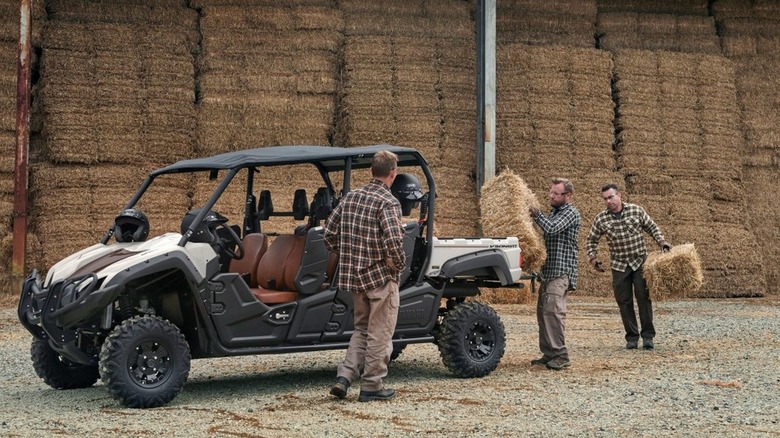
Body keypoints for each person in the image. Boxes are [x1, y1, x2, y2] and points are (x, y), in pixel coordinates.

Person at [324, 150, 405, 402]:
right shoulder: (388, 202)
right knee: (380, 332)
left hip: (354, 279)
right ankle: (372, 385)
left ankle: (345, 377)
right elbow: (393, 240)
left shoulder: (351, 198)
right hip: (380, 278)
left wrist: (346, 253)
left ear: (372, 170)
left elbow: (328, 233)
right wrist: (397, 266)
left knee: (361, 329)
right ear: (393, 173)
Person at [585, 183, 671, 350]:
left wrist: (662, 242)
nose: (608, 201)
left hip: (640, 262)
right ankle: (632, 337)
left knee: (643, 298)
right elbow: (591, 240)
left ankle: (648, 336)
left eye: (611, 197)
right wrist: (592, 258)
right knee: (624, 302)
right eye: (605, 199)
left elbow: (652, 227)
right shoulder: (601, 219)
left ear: (620, 196)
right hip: (619, 265)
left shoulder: (636, 211)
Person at [528, 177, 581, 371]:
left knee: (554, 313)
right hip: (548, 272)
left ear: (567, 196)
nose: (551, 195)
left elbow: (551, 229)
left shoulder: (570, 213)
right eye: (551, 192)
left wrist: (537, 214)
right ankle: (549, 353)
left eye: (556, 193)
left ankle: (561, 355)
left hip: (560, 272)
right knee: (543, 313)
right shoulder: (555, 212)